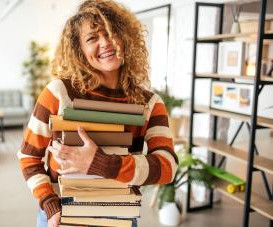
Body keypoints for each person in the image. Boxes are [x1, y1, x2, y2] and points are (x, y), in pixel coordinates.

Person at [18, 1, 178, 227]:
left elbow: (167, 167)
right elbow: (28, 157)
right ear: (79, 49)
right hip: (62, 217)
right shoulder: (59, 93)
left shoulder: (150, 103)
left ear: (126, 38)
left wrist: (99, 163)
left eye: (112, 33)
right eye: (92, 38)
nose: (106, 43)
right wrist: (50, 204)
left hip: (119, 217)